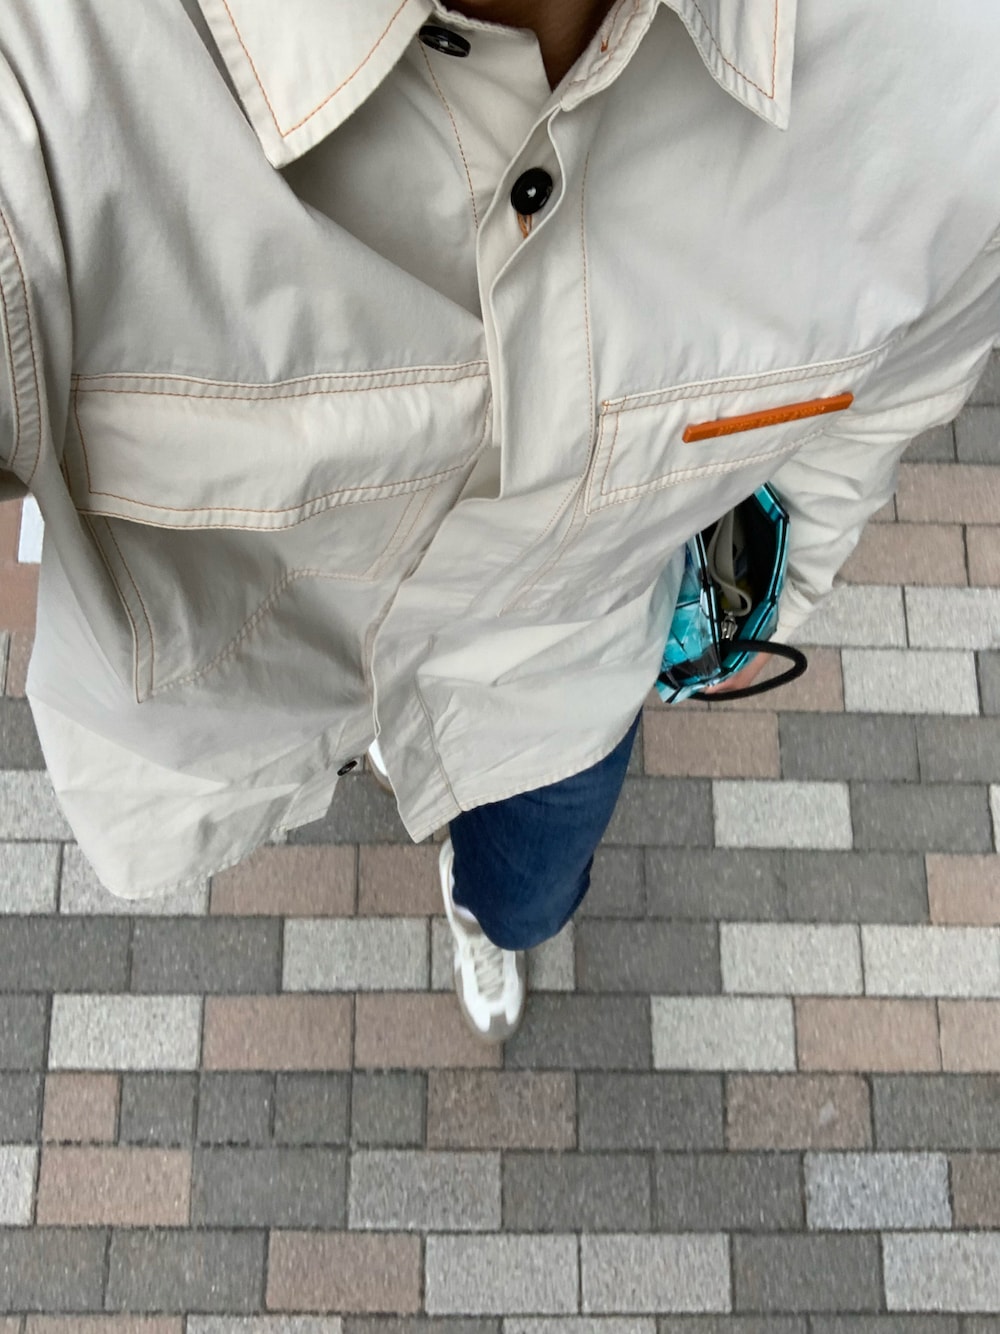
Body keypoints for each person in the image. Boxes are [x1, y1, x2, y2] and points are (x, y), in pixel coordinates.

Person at [1, 0, 999, 1041]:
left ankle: (478, 915)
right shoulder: (51, 75)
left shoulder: (952, 88)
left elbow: (880, 405)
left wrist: (748, 602)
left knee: (525, 902)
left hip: (563, 685)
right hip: (282, 700)